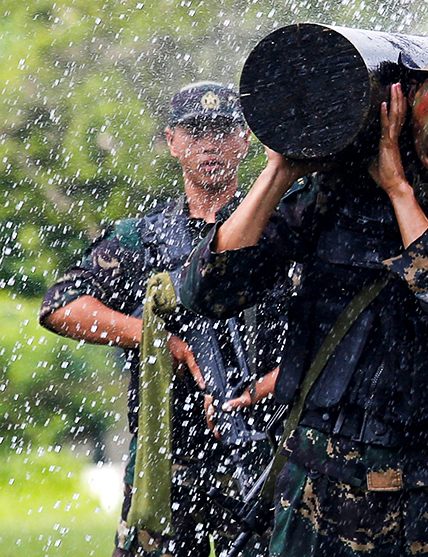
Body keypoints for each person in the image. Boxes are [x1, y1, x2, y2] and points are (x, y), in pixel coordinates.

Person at [178, 32, 428, 557]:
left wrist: (399, 192)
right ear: (408, 98)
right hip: (315, 487)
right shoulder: (337, 191)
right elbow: (207, 290)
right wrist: (280, 170)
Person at [40, 82, 263, 557]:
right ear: (172, 141)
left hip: (257, 451)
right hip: (164, 460)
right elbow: (60, 306)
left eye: (223, 132)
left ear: (246, 141)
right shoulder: (143, 237)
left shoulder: (277, 227)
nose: (210, 145)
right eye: (196, 132)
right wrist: (154, 338)